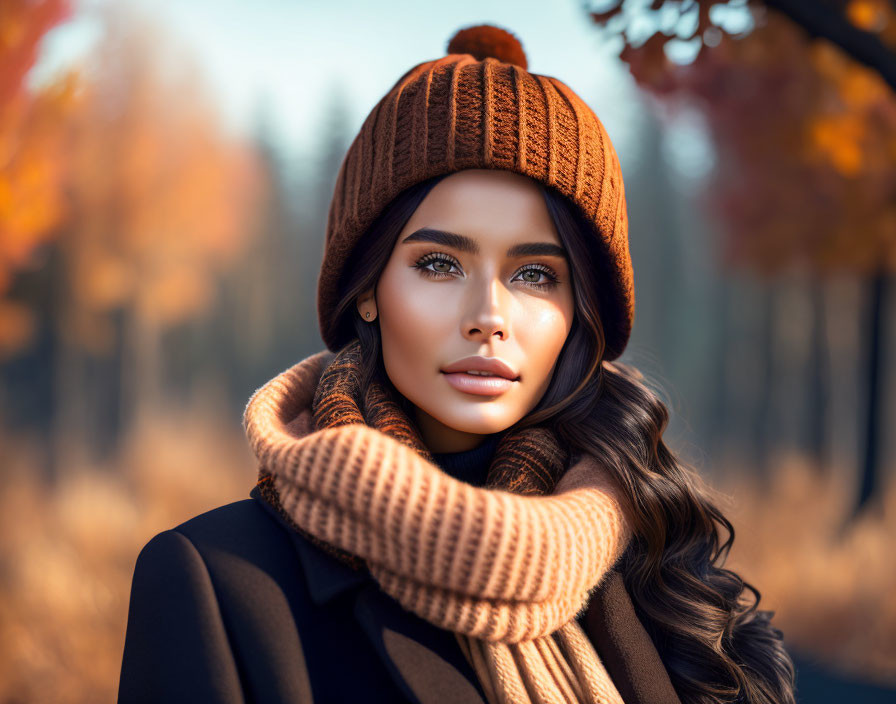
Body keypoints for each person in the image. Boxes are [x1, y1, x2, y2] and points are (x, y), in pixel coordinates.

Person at [118, 24, 796, 704]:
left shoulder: (668, 574)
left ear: (580, 311)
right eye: (439, 264)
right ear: (368, 290)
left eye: (535, 274)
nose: (489, 314)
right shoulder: (216, 582)